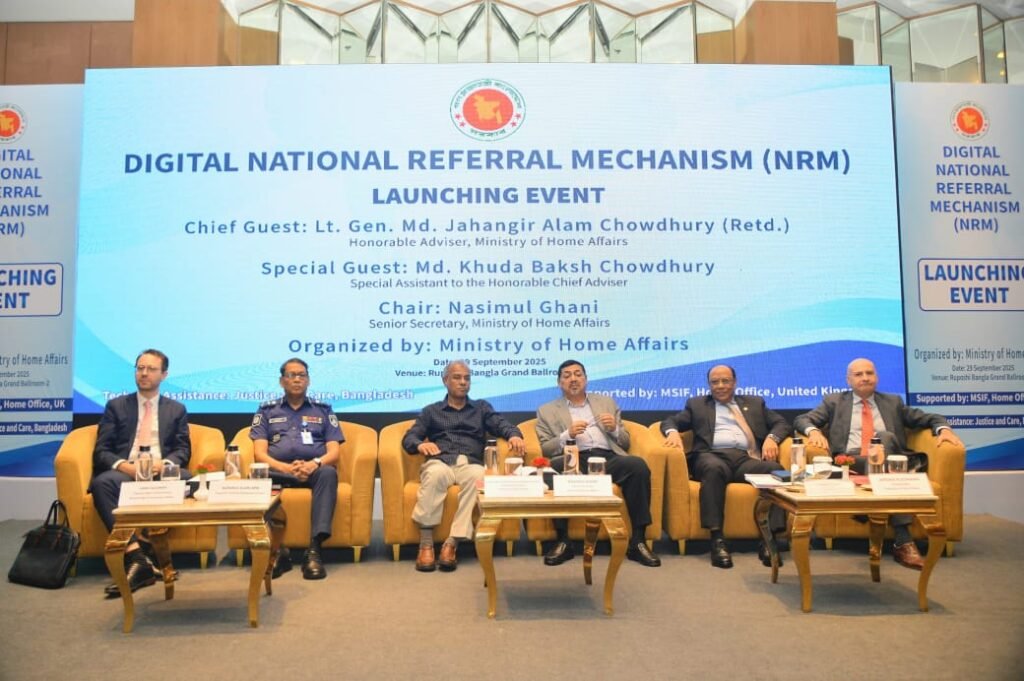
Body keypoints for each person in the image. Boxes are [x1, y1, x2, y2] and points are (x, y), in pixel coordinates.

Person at [793, 357, 963, 570]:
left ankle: (873, 511)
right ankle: (903, 539)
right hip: (853, 461)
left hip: (891, 460)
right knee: (881, 451)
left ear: (877, 377)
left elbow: (930, 418)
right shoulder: (834, 401)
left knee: (883, 438)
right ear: (848, 380)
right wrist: (813, 431)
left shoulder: (893, 402)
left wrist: (944, 430)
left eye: (869, 373)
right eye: (858, 374)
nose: (865, 378)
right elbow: (802, 419)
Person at [660, 365, 791, 569]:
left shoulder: (754, 403)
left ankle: (769, 539)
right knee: (713, 469)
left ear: (734, 382)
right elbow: (670, 422)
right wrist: (673, 432)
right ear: (709, 385)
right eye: (715, 382)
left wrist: (772, 438)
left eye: (725, 381)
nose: (720, 386)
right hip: (711, 456)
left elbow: (781, 423)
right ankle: (717, 540)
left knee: (776, 470)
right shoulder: (697, 405)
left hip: (745, 459)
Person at [402, 360, 526, 573]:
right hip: (441, 460)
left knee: (479, 478)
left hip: (470, 463)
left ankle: (452, 543)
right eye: (457, 377)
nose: (463, 382)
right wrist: (421, 444)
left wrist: (514, 435)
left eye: (467, 378)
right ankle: (426, 544)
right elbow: (409, 438)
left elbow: (501, 424)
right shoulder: (431, 411)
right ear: (445, 380)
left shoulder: (481, 408)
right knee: (434, 475)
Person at [536, 359, 661, 567]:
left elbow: (625, 442)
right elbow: (545, 449)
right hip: (574, 458)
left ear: (586, 379)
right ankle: (563, 541)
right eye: (567, 376)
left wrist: (614, 429)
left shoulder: (606, 403)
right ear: (559, 383)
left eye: (578, 374)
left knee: (637, 466)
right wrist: (567, 435)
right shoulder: (546, 410)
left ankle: (638, 541)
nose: (573, 379)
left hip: (607, 457)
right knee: (552, 470)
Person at [91, 348, 191, 597]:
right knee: (102, 483)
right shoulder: (116, 406)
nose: (144, 373)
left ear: (164, 375)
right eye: (140, 368)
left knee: (192, 481)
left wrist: (163, 464)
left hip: (158, 470)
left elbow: (182, 449)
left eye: (151, 369)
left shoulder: (176, 409)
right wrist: (125, 466)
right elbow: (102, 450)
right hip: (127, 470)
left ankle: (147, 545)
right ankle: (135, 555)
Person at [250, 358, 343, 580]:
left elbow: (334, 453)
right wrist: (285, 468)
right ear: (282, 381)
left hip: (313, 470)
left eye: (302, 375)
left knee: (328, 472)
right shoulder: (266, 410)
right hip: (278, 471)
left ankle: (314, 550)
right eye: (291, 375)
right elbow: (259, 453)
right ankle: (276, 551)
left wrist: (313, 464)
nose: (297, 379)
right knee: (257, 476)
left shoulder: (323, 410)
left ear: (308, 380)